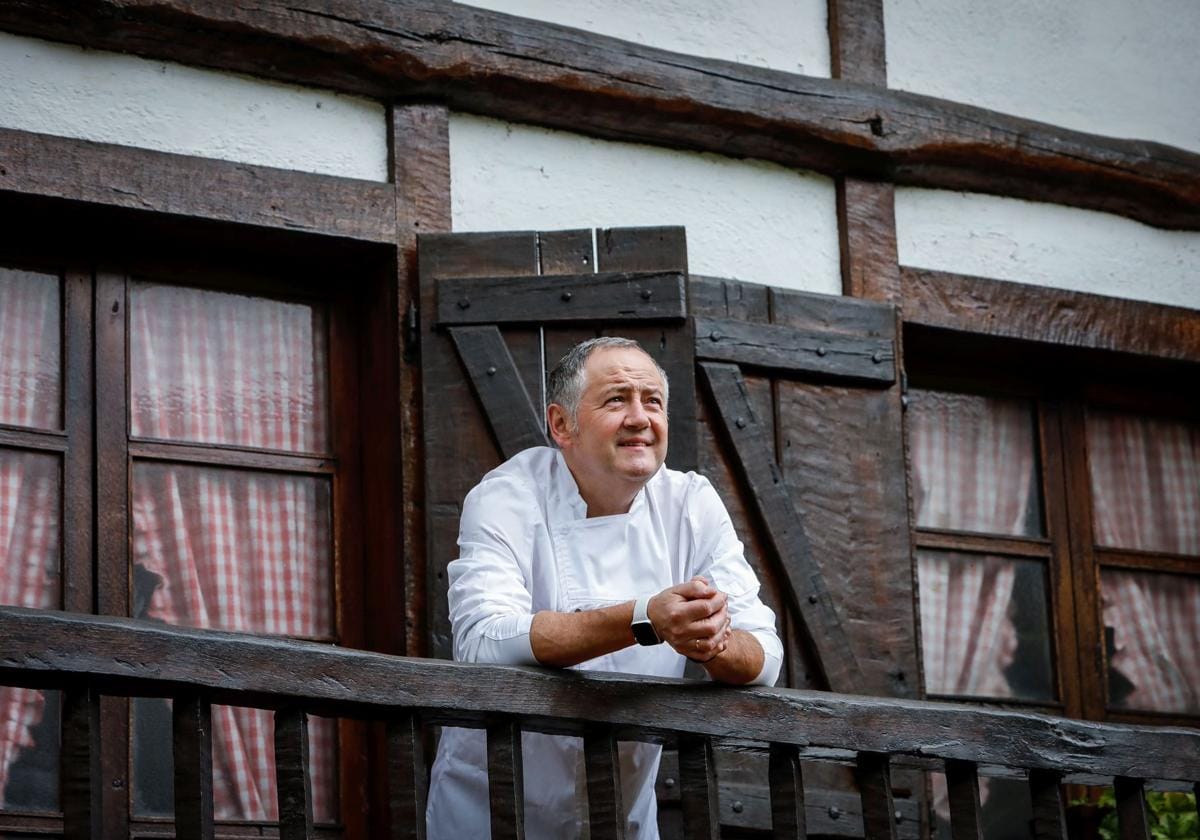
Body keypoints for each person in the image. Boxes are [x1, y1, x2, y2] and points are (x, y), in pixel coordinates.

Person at [425, 337, 783, 839]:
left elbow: (765, 657)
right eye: (617, 399)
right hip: (491, 811)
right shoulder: (508, 495)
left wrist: (711, 639)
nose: (640, 417)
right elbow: (485, 641)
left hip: (623, 817)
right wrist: (646, 619)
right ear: (561, 425)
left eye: (652, 401)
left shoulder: (690, 503)